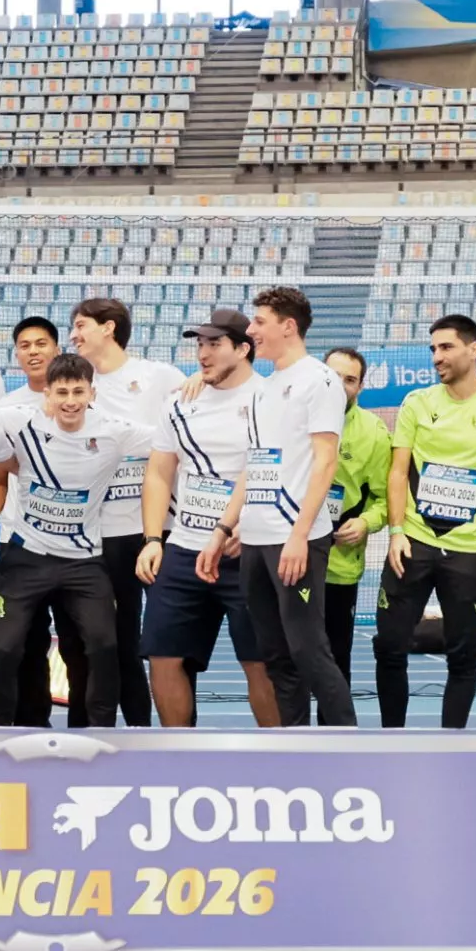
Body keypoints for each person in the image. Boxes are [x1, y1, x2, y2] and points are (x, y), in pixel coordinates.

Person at [0, 351, 156, 727]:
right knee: (5, 647)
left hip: (85, 562)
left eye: (79, 391)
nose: (71, 401)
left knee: (105, 645)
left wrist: (197, 390)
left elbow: (169, 444)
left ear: (92, 393)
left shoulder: (114, 429)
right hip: (26, 558)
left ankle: (100, 732)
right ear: (47, 394)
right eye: (62, 392)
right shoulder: (16, 421)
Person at [375, 314, 476, 730]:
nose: (437, 357)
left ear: (473, 350)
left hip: (468, 552)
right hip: (413, 544)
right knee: (388, 646)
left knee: (463, 653)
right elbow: (398, 472)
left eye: (446, 347)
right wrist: (397, 531)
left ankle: (451, 741)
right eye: (433, 349)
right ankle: (392, 737)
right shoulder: (417, 404)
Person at [225, 286, 356, 728]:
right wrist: (223, 530)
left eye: (259, 321)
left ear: (288, 326)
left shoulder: (319, 381)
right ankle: (295, 747)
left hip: (294, 539)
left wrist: (300, 535)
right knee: (276, 656)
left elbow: (325, 460)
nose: (251, 330)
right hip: (256, 541)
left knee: (309, 652)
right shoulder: (264, 388)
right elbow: (255, 463)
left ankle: (348, 750)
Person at [137, 309, 263, 726]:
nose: (203, 353)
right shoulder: (180, 400)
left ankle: (282, 756)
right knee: (163, 656)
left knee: (259, 661)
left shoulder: (268, 399)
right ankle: (178, 755)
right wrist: (153, 539)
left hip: (246, 552)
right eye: (200, 344)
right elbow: (159, 472)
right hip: (185, 548)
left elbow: (283, 469)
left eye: (214, 344)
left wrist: (253, 522)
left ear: (243, 349)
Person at [69, 296, 176, 727]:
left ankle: (168, 736)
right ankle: (122, 733)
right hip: (103, 534)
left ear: (109, 328)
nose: (73, 334)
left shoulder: (159, 377)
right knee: (114, 640)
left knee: (166, 643)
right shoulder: (76, 382)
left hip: (157, 531)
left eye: (80, 325)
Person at [317, 347, 390, 686]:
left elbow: (387, 499)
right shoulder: (289, 416)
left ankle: (335, 736)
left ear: (360, 387)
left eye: (350, 380)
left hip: (338, 567)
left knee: (335, 660)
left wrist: (366, 522)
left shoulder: (374, 433)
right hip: (286, 559)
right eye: (332, 376)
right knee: (282, 656)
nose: (340, 385)